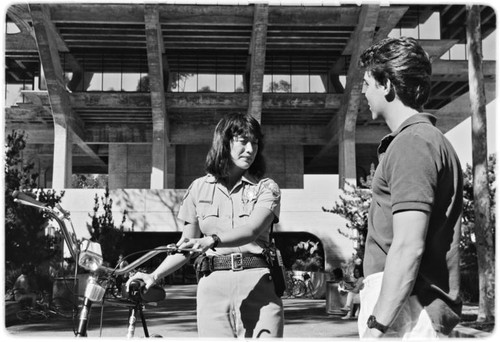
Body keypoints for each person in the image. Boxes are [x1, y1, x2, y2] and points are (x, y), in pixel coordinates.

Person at [127, 113, 284, 338]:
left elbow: (252, 230)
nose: (250, 149)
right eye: (243, 141)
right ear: (224, 142)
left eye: (255, 143)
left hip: (259, 284)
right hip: (212, 290)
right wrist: (154, 275)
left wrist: (211, 240)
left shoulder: (266, 188)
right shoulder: (198, 188)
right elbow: (187, 246)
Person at [356, 36, 463, 339]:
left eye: (367, 83)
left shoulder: (412, 144)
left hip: (409, 316)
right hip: (408, 311)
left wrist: (377, 325)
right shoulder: (424, 140)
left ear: (387, 85)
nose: (364, 92)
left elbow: (408, 246)